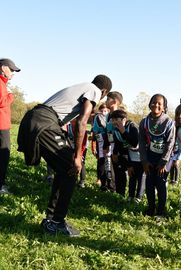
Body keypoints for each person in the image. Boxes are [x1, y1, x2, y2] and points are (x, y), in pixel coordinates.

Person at [17, 75, 112, 236]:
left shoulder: (82, 87)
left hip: (34, 118)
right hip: (44, 121)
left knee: (63, 169)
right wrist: (77, 156)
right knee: (70, 166)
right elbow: (82, 122)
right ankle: (56, 222)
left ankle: (51, 219)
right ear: (104, 91)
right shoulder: (94, 90)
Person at [139, 94, 175, 218]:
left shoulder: (169, 123)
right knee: (149, 183)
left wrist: (163, 163)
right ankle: (150, 209)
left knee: (160, 184)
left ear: (164, 107)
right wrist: (144, 161)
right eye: (154, 102)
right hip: (149, 158)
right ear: (149, 104)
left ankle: (160, 211)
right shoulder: (144, 122)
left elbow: (170, 143)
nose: (156, 105)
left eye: (160, 103)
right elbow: (142, 142)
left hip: (163, 160)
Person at [111, 109, 145, 202]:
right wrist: (115, 153)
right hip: (130, 156)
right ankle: (130, 196)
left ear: (124, 120)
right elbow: (118, 143)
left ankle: (139, 197)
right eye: (112, 120)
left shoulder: (132, 127)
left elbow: (134, 143)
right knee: (132, 175)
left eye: (116, 119)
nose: (113, 122)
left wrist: (123, 132)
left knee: (141, 177)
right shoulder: (115, 130)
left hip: (141, 156)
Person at [0, 58, 20, 194]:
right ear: (3, 68)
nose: (13, 73)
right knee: (3, 155)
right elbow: (2, 101)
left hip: (3, 124)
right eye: (12, 70)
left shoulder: (3, 83)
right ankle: (0, 186)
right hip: (1, 125)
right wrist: (11, 95)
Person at [104, 91, 124, 194]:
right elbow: (107, 131)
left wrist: (116, 151)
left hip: (118, 147)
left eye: (108, 99)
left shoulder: (120, 116)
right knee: (109, 167)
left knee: (119, 169)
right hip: (110, 145)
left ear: (115, 102)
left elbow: (120, 136)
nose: (106, 101)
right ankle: (111, 187)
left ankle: (120, 192)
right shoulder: (107, 115)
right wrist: (106, 144)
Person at [91, 103, 109, 189]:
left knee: (108, 162)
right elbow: (95, 130)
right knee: (101, 161)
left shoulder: (110, 117)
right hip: (101, 141)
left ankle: (108, 182)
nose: (103, 112)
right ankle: (101, 181)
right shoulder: (97, 117)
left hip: (109, 141)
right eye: (101, 111)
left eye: (105, 111)